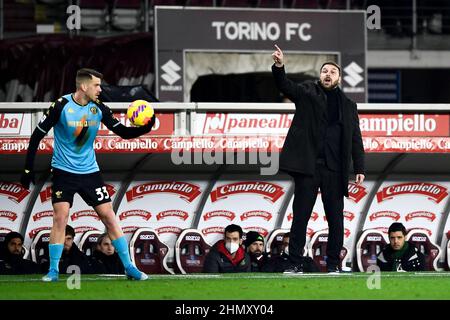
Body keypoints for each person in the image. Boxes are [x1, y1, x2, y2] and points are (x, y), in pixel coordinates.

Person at [20, 68, 155, 282]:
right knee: (60, 217)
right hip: (64, 172)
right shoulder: (61, 106)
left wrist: (145, 128)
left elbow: (123, 132)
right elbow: (37, 135)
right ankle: (54, 271)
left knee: (109, 216)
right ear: (83, 86)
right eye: (97, 85)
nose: (100, 89)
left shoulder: (99, 107)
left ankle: (129, 267)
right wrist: (28, 168)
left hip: (90, 172)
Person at [271, 45, 365, 274]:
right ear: (319, 75)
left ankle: (333, 264)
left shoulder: (349, 106)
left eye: (332, 72)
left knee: (336, 220)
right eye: (324, 71)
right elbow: (285, 86)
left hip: (335, 170)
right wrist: (280, 66)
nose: (328, 74)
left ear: (339, 78)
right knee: (300, 217)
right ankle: (294, 263)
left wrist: (359, 166)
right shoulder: (307, 93)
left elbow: (355, 138)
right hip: (309, 167)